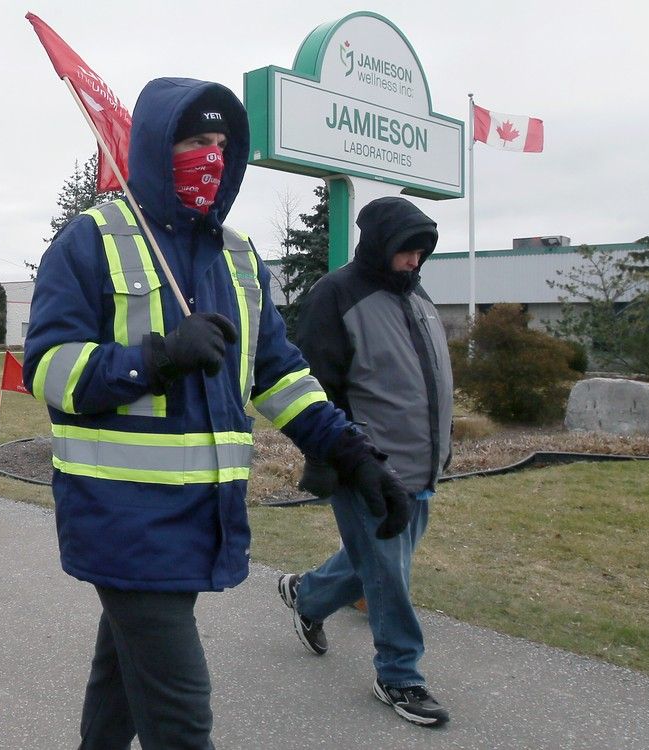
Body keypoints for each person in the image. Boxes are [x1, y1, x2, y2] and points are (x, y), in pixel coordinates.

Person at [24, 78, 411, 749]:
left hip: (201, 518)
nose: (211, 155)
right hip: (123, 519)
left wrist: (351, 452)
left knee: (119, 687)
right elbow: (50, 370)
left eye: (221, 144)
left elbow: (280, 374)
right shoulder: (89, 240)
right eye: (195, 141)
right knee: (181, 719)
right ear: (154, 147)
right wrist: (158, 357)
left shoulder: (237, 257)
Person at [277, 196, 455, 727]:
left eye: (422, 252)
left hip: (421, 466)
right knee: (389, 575)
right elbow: (317, 387)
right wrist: (336, 457)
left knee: (374, 564)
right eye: (407, 250)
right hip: (366, 465)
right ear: (379, 244)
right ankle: (400, 674)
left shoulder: (416, 295)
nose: (415, 261)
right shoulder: (336, 295)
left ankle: (306, 595)